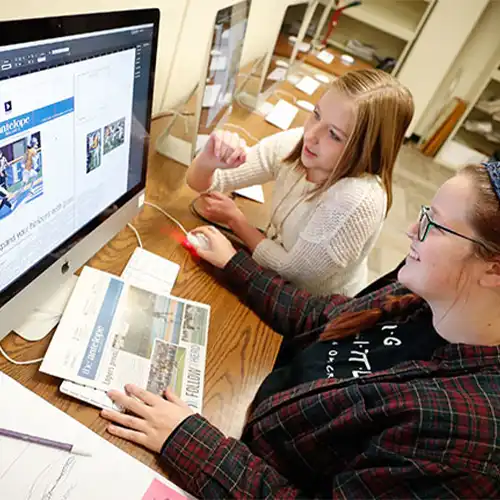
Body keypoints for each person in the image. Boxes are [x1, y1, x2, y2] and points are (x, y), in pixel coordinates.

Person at [102, 162, 500, 498]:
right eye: (424, 212)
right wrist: (233, 265)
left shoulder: (464, 443)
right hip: (247, 418)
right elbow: (324, 318)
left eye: (435, 225)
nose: (412, 229)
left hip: (234, 459)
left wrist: (188, 439)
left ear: (494, 269)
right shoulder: (424, 295)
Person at [186, 69, 414, 296]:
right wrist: (209, 160)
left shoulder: (357, 199)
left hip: (306, 308)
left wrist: (236, 221)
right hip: (273, 272)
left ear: (367, 150)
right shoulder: (300, 143)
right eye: (316, 114)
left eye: (334, 134)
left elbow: (292, 275)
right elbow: (208, 182)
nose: (311, 134)